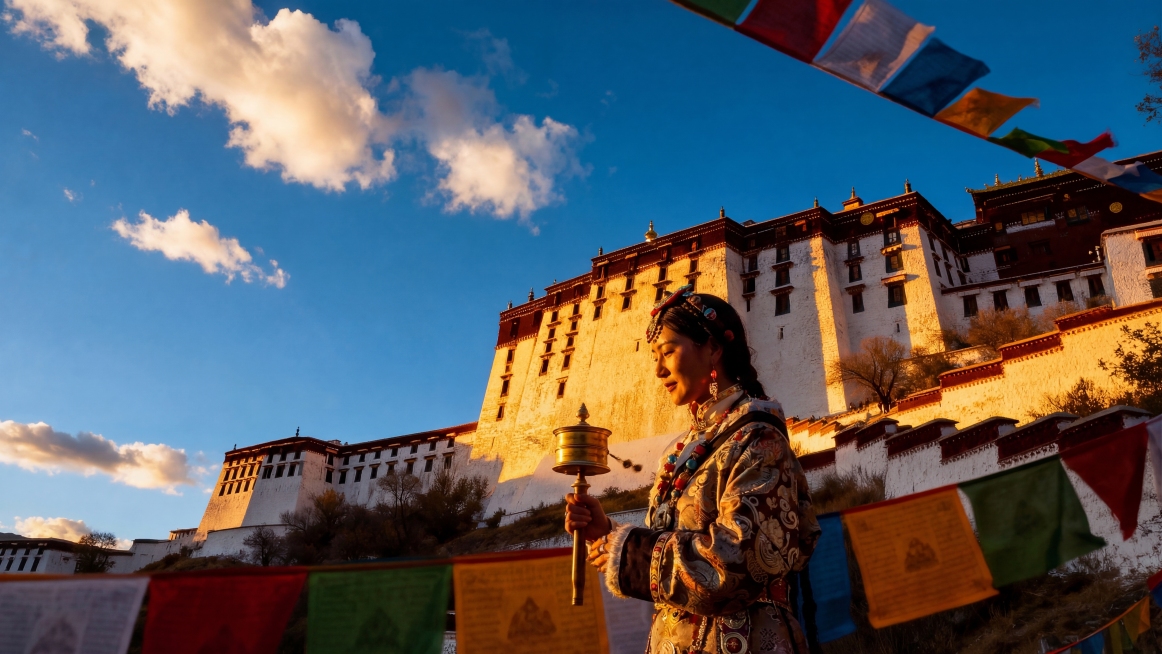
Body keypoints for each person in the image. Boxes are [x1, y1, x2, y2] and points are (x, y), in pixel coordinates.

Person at [565, 285, 820, 653]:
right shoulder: (685, 450)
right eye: (655, 356)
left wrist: (628, 552)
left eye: (668, 352)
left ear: (713, 349)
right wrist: (607, 532)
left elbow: (737, 562)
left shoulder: (759, 438)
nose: (658, 370)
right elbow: (675, 537)